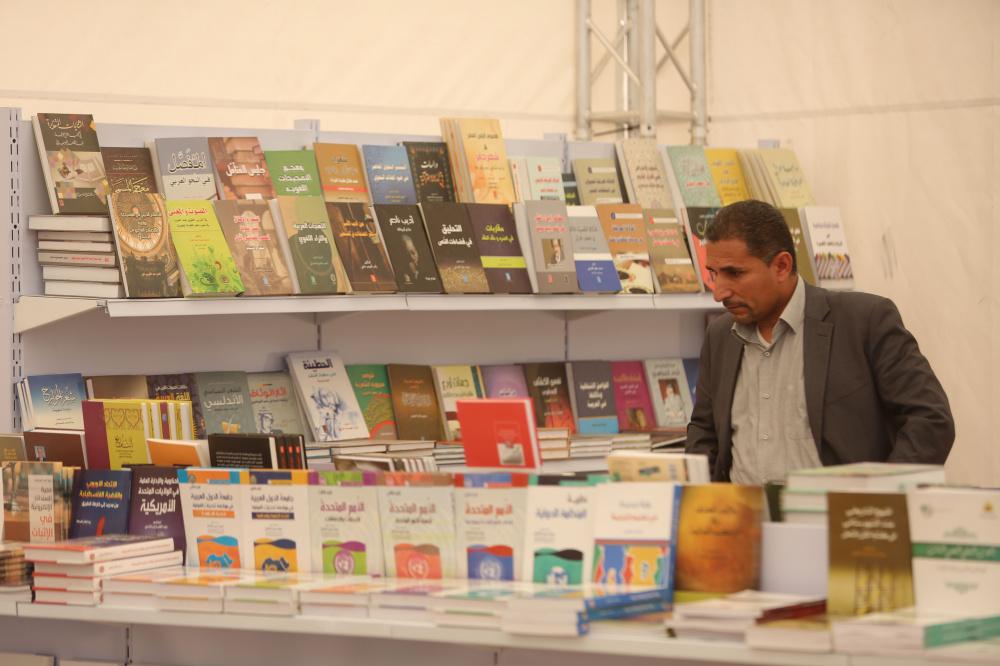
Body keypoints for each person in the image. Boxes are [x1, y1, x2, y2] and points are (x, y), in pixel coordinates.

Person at [686, 200, 954, 483]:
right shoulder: (719, 336)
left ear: (781, 266)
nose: (719, 293)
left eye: (734, 273)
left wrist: (881, 496)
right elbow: (705, 430)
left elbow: (930, 420)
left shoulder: (865, 321)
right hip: (741, 511)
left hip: (842, 509)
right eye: (714, 274)